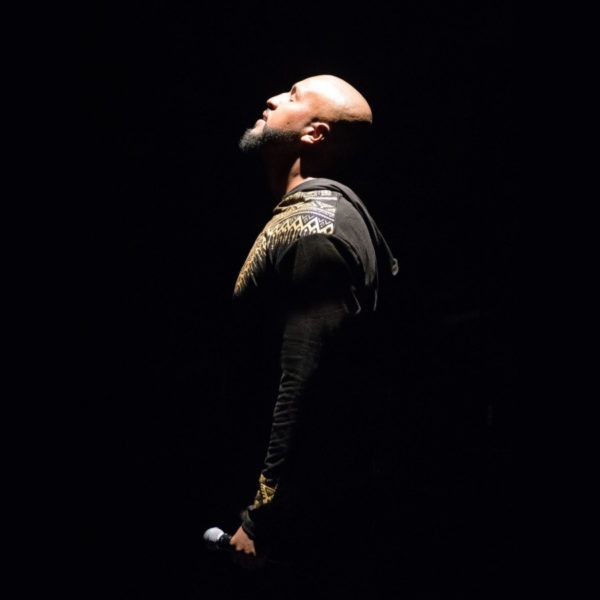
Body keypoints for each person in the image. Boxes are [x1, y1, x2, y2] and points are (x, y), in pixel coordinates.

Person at [227, 74, 398, 597]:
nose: (273, 98)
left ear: (315, 134)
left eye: (294, 95)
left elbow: (304, 379)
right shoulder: (304, 220)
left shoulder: (314, 231)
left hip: (292, 539)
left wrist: (261, 518)